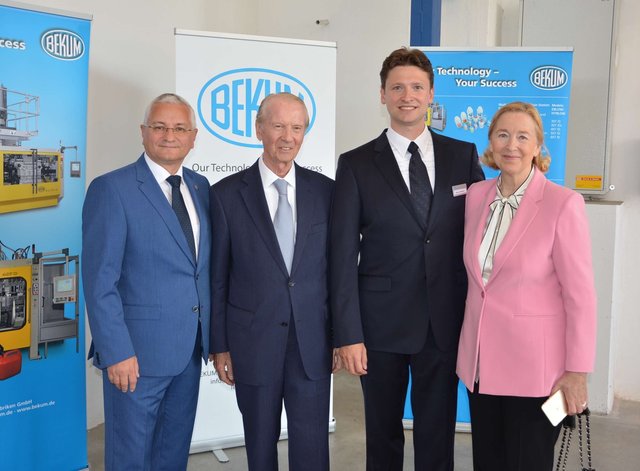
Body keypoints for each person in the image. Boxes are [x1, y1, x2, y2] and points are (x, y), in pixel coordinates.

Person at [330, 48, 485, 471]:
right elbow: (341, 255)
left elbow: (482, 242)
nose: (407, 95)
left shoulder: (462, 155)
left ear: (431, 93)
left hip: (444, 320)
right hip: (379, 326)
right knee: (382, 434)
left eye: (416, 87)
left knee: (438, 434)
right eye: (397, 87)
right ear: (382, 95)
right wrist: (348, 334)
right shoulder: (357, 164)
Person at [456, 101, 597, 471]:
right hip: (482, 368)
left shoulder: (563, 203)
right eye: (502, 135)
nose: (511, 145)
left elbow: (580, 296)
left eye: (523, 136)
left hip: (537, 374)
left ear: (538, 147)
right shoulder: (476, 197)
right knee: (487, 463)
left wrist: (577, 371)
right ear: (490, 142)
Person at [82, 93, 211, 471]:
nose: (169, 135)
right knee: (130, 458)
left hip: (188, 351)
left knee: (172, 454)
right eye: (159, 127)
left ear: (193, 136)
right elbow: (100, 280)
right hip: (134, 357)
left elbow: (200, 269)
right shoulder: (112, 189)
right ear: (143, 133)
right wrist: (116, 351)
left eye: (179, 128)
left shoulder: (201, 187)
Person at [210, 92, 335, 471]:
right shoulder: (226, 195)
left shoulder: (326, 191)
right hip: (252, 344)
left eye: (297, 127)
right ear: (259, 129)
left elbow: (337, 271)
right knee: (260, 449)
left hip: (312, 343)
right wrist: (220, 346)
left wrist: (342, 336)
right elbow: (217, 277)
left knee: (312, 450)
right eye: (278, 125)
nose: (287, 136)